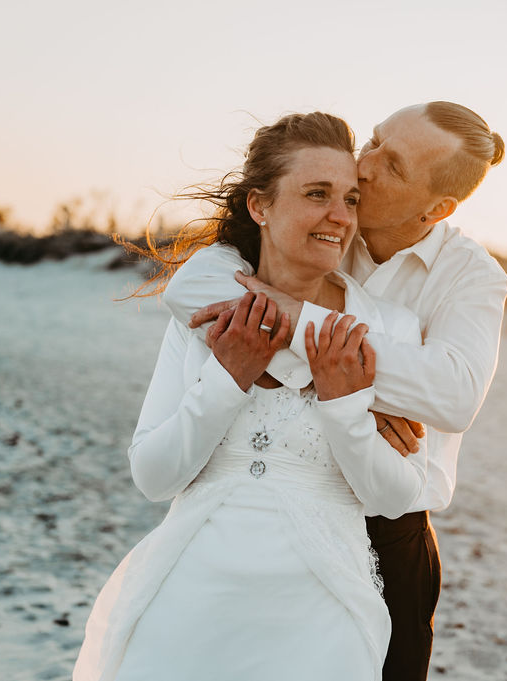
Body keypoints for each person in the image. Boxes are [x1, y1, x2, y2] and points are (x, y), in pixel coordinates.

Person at [72, 112, 431, 681]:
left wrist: (343, 407)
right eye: (317, 194)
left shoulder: (388, 330)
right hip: (190, 597)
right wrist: (228, 378)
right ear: (259, 206)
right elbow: (152, 476)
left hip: (321, 612)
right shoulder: (208, 310)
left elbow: (396, 495)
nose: (340, 217)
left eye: (351, 199)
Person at [164, 101, 507, 681]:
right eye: (373, 141)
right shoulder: (320, 217)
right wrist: (348, 393)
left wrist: (296, 325)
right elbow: (194, 290)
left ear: (438, 208)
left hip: (387, 521)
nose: (365, 165)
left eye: (392, 164)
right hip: (273, 499)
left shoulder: (471, 275)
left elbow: (454, 398)